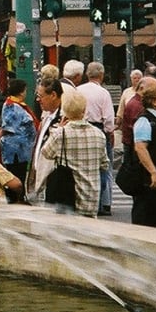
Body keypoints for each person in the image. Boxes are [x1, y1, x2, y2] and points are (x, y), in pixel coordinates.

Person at [41, 91, 108, 217]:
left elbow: (46, 152)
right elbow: (104, 164)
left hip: (67, 197)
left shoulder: (61, 134)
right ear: (84, 109)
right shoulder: (99, 134)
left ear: (65, 111)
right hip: (91, 198)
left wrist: (58, 128)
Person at [76, 62, 116, 216]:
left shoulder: (78, 90)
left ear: (87, 74)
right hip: (98, 130)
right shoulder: (103, 93)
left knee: (82, 166)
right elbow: (108, 118)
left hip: (80, 126)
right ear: (102, 75)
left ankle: (83, 201)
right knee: (102, 167)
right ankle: (99, 203)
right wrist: (109, 132)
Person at [128, 84, 156, 228]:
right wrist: (153, 172)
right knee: (149, 217)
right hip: (150, 179)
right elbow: (140, 148)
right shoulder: (145, 121)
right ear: (154, 101)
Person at [26, 77, 65, 202]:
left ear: (53, 95)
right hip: (40, 178)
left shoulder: (63, 119)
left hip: (53, 180)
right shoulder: (47, 116)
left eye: (40, 96)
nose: (38, 100)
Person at [0, 78, 37, 203]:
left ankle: (20, 197)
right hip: (15, 149)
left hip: (22, 148)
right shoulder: (11, 106)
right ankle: (15, 198)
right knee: (15, 174)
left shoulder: (16, 105)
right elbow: (12, 126)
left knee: (20, 173)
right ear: (21, 92)